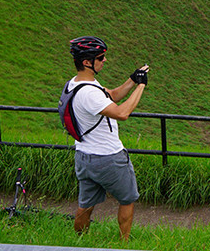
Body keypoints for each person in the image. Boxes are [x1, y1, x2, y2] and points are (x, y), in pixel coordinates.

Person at [64, 36, 149, 242]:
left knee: (85, 206)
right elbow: (122, 113)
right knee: (127, 199)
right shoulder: (89, 94)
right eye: (101, 58)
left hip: (84, 156)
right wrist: (141, 87)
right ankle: (124, 244)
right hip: (108, 157)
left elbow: (110, 95)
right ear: (87, 62)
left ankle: (78, 243)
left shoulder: (76, 84)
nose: (105, 60)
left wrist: (132, 80)